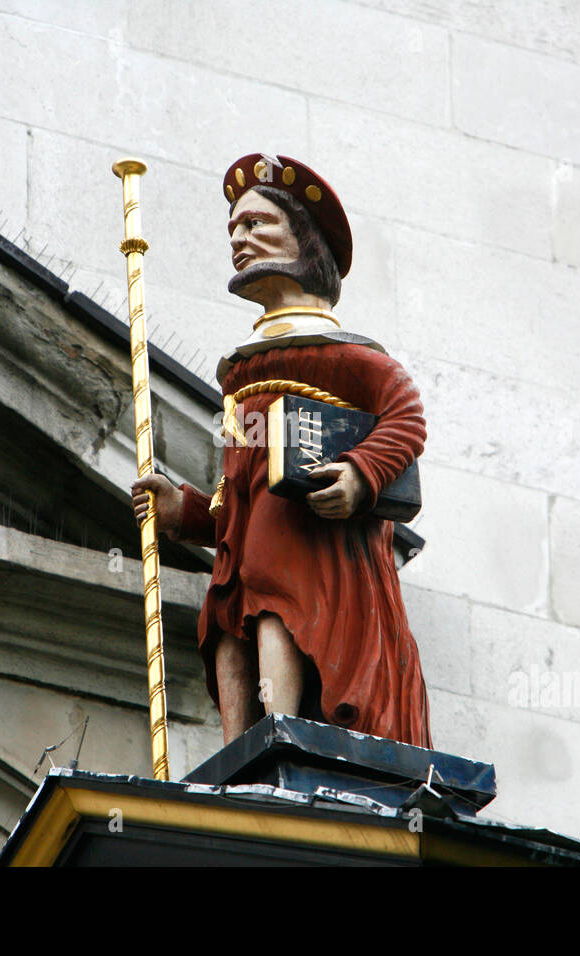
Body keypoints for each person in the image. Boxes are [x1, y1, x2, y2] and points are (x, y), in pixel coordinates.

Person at [132, 153, 432, 748]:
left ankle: (280, 734)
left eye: (256, 224)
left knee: (274, 601)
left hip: (309, 549)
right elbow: (234, 499)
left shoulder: (344, 354)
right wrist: (185, 511)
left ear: (304, 240)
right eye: (233, 230)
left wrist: (358, 474)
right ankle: (241, 748)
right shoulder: (241, 376)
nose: (239, 240)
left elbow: (407, 417)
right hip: (249, 552)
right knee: (225, 622)